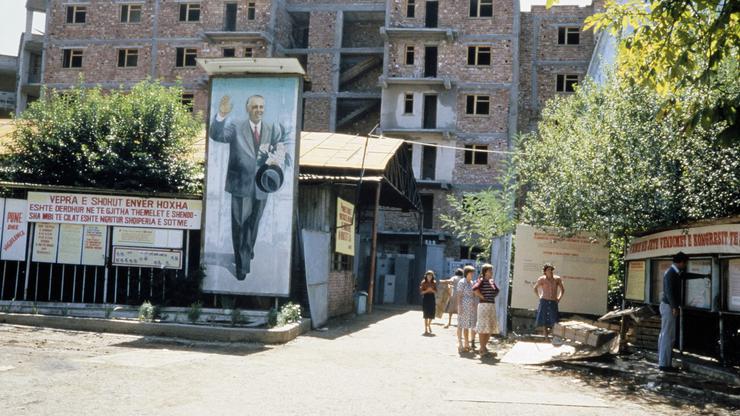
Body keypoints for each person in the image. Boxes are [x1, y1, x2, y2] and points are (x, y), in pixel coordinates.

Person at [209, 94, 289, 280]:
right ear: (248, 109)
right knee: (240, 225)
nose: (259, 110)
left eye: (261, 107)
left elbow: (279, 149)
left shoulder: (270, 128)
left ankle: (248, 249)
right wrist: (221, 115)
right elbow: (217, 135)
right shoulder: (236, 127)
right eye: (255, 107)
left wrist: (276, 159)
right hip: (240, 184)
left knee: (254, 223)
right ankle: (242, 265)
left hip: (262, 185)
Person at [658, 252, 710, 372]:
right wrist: (674, 307)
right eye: (685, 263)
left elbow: (685, 276)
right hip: (669, 307)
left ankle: (663, 362)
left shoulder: (674, 272)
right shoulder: (671, 273)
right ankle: (664, 365)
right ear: (681, 262)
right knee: (668, 336)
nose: (685, 265)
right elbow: (669, 292)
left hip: (667, 306)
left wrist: (703, 276)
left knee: (665, 334)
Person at [473, 263, 500, 356]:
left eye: (491, 270)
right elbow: (475, 289)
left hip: (491, 305)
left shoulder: (491, 281)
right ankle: (482, 349)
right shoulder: (481, 280)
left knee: (490, 327)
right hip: (484, 305)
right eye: (489, 271)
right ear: (485, 272)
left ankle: (483, 348)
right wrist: (483, 297)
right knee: (483, 327)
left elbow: (497, 291)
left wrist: (491, 296)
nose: (491, 272)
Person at [533, 263, 565, 339]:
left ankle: (554, 337)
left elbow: (562, 290)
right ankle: (546, 337)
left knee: (554, 319)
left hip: (553, 301)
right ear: (545, 271)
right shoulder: (542, 279)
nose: (550, 271)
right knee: (543, 319)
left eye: (551, 269)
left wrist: (558, 298)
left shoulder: (557, 279)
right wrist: (540, 297)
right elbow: (535, 288)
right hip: (544, 301)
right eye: (548, 270)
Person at [456, 265, 478, 352]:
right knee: (460, 325)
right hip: (463, 306)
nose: (472, 274)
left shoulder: (472, 282)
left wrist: (473, 303)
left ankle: (466, 343)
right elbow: (459, 295)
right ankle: (460, 343)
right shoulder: (462, 282)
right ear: (467, 273)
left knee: (467, 325)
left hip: (470, 307)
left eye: (473, 273)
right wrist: (459, 306)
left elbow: (473, 295)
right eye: (471, 273)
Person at [420, 270, 437, 335]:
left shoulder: (434, 282)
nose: (429, 277)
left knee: (432, 313)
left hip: (432, 298)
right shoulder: (423, 282)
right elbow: (421, 292)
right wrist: (427, 290)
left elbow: (436, 291)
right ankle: (426, 329)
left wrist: (432, 290)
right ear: (426, 276)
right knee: (426, 314)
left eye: (431, 276)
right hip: (426, 298)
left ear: (432, 276)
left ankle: (429, 324)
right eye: (428, 275)